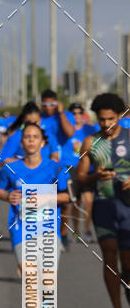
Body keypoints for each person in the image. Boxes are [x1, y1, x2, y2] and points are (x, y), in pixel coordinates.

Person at [76, 93, 130, 308]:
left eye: (111, 119)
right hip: (103, 207)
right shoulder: (90, 142)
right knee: (109, 257)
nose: (107, 125)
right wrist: (95, 176)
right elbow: (80, 177)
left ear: (120, 116)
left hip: (128, 208)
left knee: (128, 265)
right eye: (102, 120)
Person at [0, 123, 70, 277]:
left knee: (47, 279)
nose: (31, 140)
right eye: (27, 137)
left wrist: (46, 198)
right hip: (21, 227)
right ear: (21, 143)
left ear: (42, 143)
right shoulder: (11, 168)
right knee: (30, 277)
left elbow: (68, 196)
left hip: (49, 227)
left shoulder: (56, 168)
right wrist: (8, 196)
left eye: (35, 137)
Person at [59, 104, 96, 246]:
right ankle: (76, 231)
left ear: (83, 114)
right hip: (70, 169)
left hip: (87, 168)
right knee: (75, 202)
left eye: (79, 112)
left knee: (89, 200)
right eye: (73, 113)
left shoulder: (90, 129)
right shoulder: (66, 130)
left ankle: (86, 229)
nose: (77, 115)